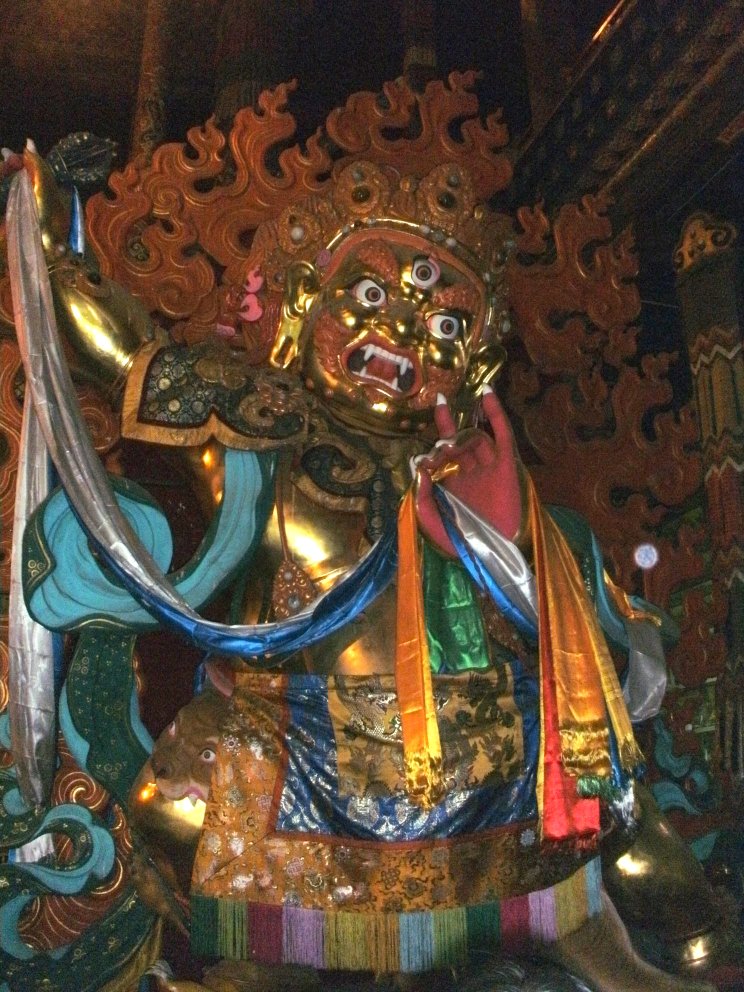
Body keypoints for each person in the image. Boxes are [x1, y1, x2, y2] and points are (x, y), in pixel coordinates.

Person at [6, 147, 719, 992]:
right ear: (306, 300)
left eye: (446, 327)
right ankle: (269, 963)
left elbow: (576, 641)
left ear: (475, 369)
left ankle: (656, 945)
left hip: (473, 746)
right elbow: (127, 355)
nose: (406, 332)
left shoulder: (472, 475)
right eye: (373, 297)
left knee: (612, 814)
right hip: (294, 734)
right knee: (175, 806)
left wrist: (513, 545)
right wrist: (46, 243)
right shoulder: (263, 420)